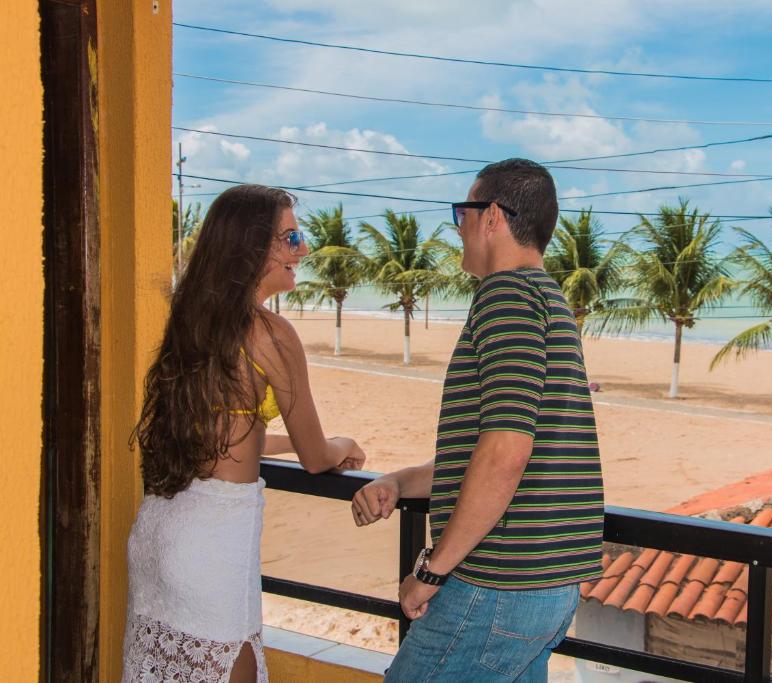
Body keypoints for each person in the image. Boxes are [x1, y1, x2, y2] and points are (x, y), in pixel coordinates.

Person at [352, 159, 605, 682]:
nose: (457, 228)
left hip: (497, 585)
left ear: (491, 216)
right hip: (549, 586)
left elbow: (505, 453)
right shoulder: (549, 300)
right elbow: (495, 454)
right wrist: (399, 482)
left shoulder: (505, 295)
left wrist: (431, 570)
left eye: (460, 214)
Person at [122, 185, 366, 683]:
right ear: (251, 245)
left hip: (159, 532)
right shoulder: (270, 333)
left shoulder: (195, 321)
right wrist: (343, 444)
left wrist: (281, 444)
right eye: (291, 237)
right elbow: (317, 456)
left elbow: (222, 430)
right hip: (213, 546)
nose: (303, 249)